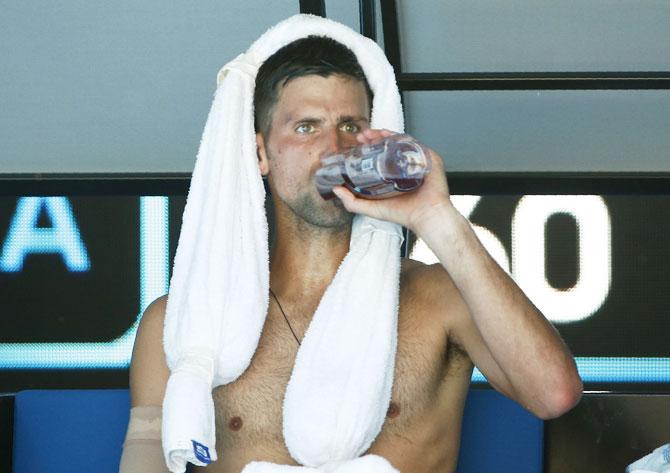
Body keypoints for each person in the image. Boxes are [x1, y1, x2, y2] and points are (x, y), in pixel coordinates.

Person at [121, 24, 582, 473]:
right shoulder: (181, 325)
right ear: (260, 153)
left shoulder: (436, 300)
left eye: (350, 125)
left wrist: (437, 218)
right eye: (305, 127)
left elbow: (553, 394)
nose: (332, 149)